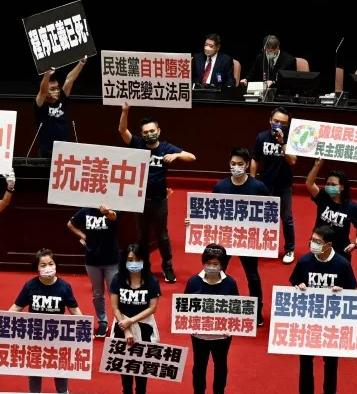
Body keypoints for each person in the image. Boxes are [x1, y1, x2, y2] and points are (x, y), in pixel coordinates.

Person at [119, 103, 196, 283]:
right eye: (145, 132)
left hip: (159, 199)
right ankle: (143, 267)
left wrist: (176, 156)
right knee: (141, 236)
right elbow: (122, 130)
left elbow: (192, 157)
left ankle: (167, 266)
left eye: (152, 131)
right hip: (140, 200)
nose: (148, 134)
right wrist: (125, 111)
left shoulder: (166, 148)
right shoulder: (137, 144)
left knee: (162, 235)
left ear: (159, 131)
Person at [289, 224, 357, 394]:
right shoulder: (304, 261)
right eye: (312, 240)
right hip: (307, 320)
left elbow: (352, 291)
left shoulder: (342, 264)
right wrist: (299, 286)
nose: (313, 244)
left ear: (328, 244)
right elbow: (293, 282)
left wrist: (341, 291)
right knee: (305, 360)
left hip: (331, 323)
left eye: (317, 242)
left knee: (331, 363)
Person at [207, 148, 270, 325]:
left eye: (240, 164)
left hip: (248, 240)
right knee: (218, 272)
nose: (236, 167)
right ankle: (216, 306)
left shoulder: (258, 187)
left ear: (247, 165)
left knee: (252, 276)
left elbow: (270, 211)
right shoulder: (220, 187)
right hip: (225, 238)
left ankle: (256, 311)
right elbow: (211, 212)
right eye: (233, 164)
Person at [9, 249, 83, 394]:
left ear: (56, 265)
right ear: (37, 268)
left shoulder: (64, 286)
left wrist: (84, 328)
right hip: (35, 335)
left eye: (51, 264)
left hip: (57, 336)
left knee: (60, 369)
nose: (48, 268)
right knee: (34, 370)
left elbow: (74, 310)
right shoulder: (30, 285)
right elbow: (17, 306)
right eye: (43, 265)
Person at [184, 244, 239, 394]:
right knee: (199, 366)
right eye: (209, 262)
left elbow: (237, 308)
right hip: (199, 334)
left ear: (222, 264)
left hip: (222, 336)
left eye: (216, 264)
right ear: (204, 262)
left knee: (220, 365)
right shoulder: (194, 281)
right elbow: (184, 307)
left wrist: (230, 327)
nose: (212, 266)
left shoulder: (230, 283)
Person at [109, 244, 160, 394]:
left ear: (144, 261)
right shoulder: (117, 279)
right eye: (130, 260)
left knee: (142, 362)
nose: (134, 263)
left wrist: (132, 320)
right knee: (125, 362)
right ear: (124, 261)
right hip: (122, 325)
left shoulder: (151, 280)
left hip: (144, 325)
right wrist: (126, 327)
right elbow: (115, 307)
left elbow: (153, 307)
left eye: (137, 260)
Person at [251, 107, 296, 264]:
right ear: (270, 121)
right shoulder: (261, 137)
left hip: (284, 185)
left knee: (286, 218)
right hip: (265, 184)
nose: (279, 125)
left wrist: (282, 142)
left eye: (283, 123)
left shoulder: (291, 138)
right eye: (276, 121)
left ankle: (289, 249)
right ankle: (263, 246)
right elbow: (255, 159)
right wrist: (252, 180)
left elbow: (292, 161)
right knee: (262, 218)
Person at [68, 205, 119, 338]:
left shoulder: (113, 207)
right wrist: (83, 235)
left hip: (111, 260)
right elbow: (70, 224)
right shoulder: (86, 211)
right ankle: (102, 322)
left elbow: (113, 216)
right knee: (97, 293)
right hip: (92, 260)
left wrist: (107, 211)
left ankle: (119, 321)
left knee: (114, 292)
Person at [305, 158, 357, 261]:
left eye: (333, 185)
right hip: (320, 247)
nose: (329, 186)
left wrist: (356, 243)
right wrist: (317, 165)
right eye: (328, 184)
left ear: (342, 187)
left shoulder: (352, 207)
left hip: (340, 252)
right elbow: (309, 184)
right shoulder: (323, 197)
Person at [34, 56, 87, 158]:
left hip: (64, 149)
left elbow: (70, 79)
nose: (56, 91)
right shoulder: (40, 103)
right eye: (53, 89)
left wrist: (81, 63)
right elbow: (43, 91)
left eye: (57, 88)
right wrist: (46, 75)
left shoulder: (62, 98)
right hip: (47, 151)